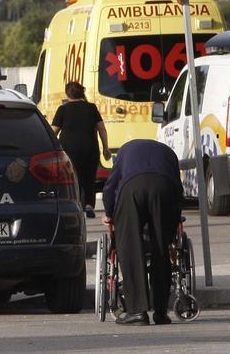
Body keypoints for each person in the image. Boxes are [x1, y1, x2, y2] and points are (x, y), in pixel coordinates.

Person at [101, 138, 182, 326]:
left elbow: (111, 186)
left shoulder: (124, 150)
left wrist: (109, 214)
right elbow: (178, 190)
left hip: (132, 187)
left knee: (130, 247)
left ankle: (137, 311)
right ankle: (161, 312)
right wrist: (173, 223)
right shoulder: (168, 152)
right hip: (164, 187)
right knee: (161, 248)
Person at [51, 81, 111, 219]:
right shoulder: (91, 108)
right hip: (90, 147)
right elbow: (101, 128)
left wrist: (49, 145)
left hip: (69, 149)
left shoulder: (63, 109)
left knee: (73, 177)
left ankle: (76, 204)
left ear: (67, 94)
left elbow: (54, 130)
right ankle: (89, 205)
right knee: (89, 177)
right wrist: (106, 148)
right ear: (82, 92)